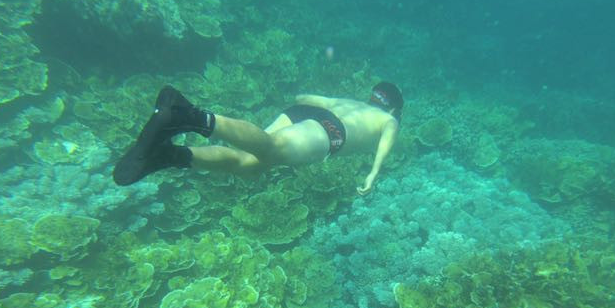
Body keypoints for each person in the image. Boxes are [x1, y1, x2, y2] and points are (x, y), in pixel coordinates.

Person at [112, 82, 403, 195]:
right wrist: (373, 174)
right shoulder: (388, 118)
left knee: (252, 165)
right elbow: (386, 142)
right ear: (391, 107)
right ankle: (187, 115)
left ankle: (167, 155)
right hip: (332, 131)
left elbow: (304, 97)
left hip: (307, 112)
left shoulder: (351, 102)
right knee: (272, 148)